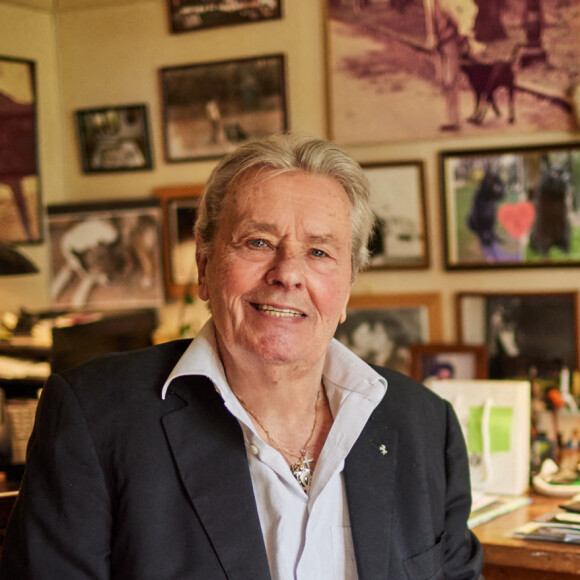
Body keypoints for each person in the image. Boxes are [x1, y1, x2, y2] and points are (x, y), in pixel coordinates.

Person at [0, 133, 484, 579]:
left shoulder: (425, 423)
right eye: (258, 242)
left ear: (348, 285)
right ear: (205, 265)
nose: (288, 273)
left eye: (319, 252)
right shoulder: (94, 417)